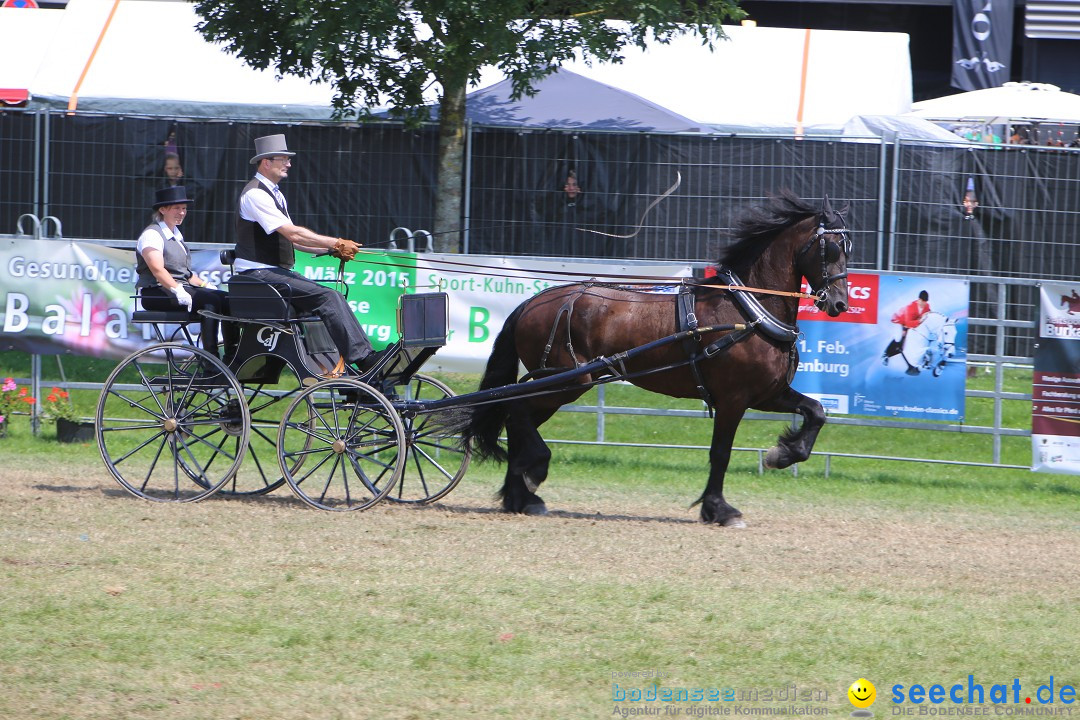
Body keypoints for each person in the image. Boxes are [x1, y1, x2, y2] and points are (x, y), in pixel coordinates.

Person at [233, 133, 382, 375]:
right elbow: (294, 234)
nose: (289, 164)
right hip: (257, 274)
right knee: (328, 297)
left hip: (272, 272)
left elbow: (295, 243)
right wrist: (336, 241)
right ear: (266, 162)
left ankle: (333, 367)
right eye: (283, 159)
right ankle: (363, 359)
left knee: (331, 296)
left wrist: (331, 250)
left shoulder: (275, 194)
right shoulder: (256, 194)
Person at [136, 186, 236, 358]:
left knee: (226, 299)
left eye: (184, 209)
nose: (181, 213)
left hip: (176, 288)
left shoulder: (176, 235)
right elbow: (157, 269)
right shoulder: (152, 235)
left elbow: (187, 274)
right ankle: (210, 359)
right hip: (155, 291)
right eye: (177, 208)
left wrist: (206, 285)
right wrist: (177, 290)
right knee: (209, 302)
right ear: (163, 209)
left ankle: (233, 355)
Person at [883, 290, 931, 374]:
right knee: (898, 337)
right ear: (918, 299)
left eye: (925, 302)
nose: (923, 303)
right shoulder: (910, 307)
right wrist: (919, 321)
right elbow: (908, 323)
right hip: (900, 321)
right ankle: (886, 355)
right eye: (922, 301)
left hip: (912, 323)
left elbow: (928, 318)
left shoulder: (927, 307)